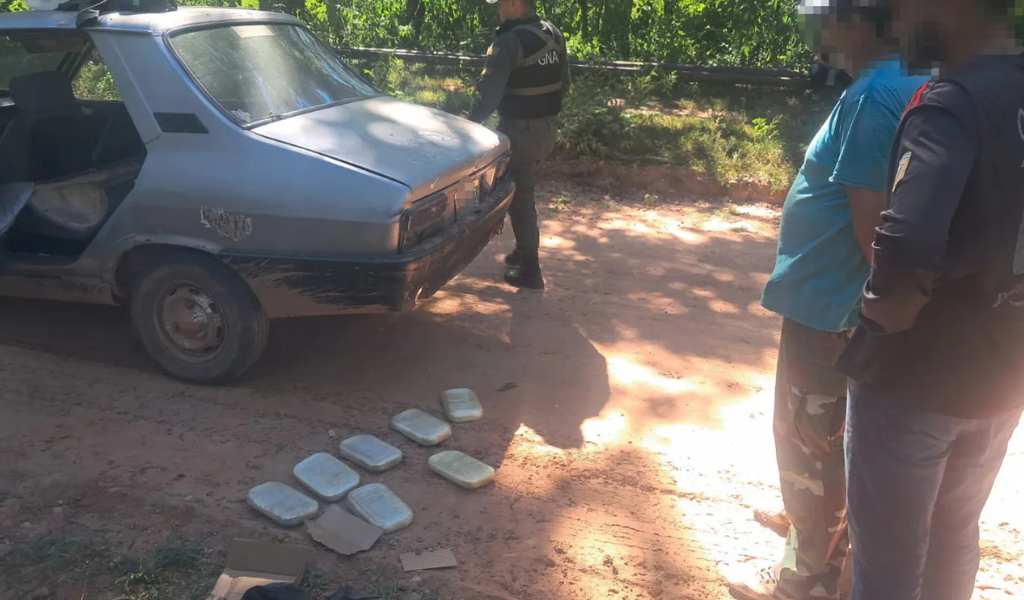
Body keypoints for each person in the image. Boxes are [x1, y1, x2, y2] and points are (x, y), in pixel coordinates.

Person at [730, 3, 928, 599]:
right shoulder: (908, 80)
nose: (813, 33)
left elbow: (874, 232)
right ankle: (814, 529)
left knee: (810, 442)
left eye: (824, 18)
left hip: (830, 313)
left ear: (861, 22)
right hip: (842, 309)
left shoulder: (874, 97)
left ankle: (808, 577)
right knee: (832, 439)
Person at [836, 1, 1024, 598]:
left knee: (889, 561)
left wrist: (877, 318)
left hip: (917, 375)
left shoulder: (950, 101)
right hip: (1002, 372)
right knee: (955, 534)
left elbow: (908, 236)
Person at [469, 0, 569, 290]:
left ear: (515, 3)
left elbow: (486, 98)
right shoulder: (553, 32)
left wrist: (465, 129)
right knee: (524, 186)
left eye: (500, 4)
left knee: (520, 197)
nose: (497, 10)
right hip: (547, 128)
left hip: (519, 130)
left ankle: (531, 270)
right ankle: (522, 250)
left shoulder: (508, 42)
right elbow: (565, 84)